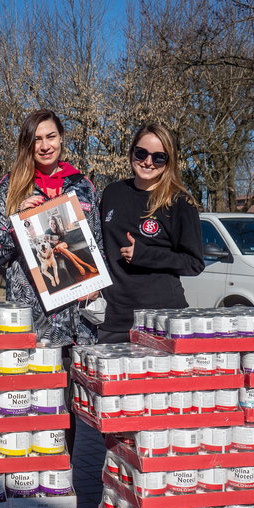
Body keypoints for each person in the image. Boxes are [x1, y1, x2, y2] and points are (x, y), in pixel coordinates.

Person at [0, 109, 102, 347]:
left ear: (61, 138)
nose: (45, 145)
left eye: (51, 136)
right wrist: (16, 225)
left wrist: (96, 287)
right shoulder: (8, 187)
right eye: (37, 139)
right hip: (31, 325)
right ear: (27, 144)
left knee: (79, 384)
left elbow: (98, 245)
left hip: (81, 324)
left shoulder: (83, 185)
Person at [97, 122, 205, 343]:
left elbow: (194, 263)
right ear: (131, 152)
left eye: (158, 157)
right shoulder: (112, 193)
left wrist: (145, 255)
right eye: (141, 153)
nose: (148, 162)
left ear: (169, 162)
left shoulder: (180, 202)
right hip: (114, 317)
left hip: (161, 318)